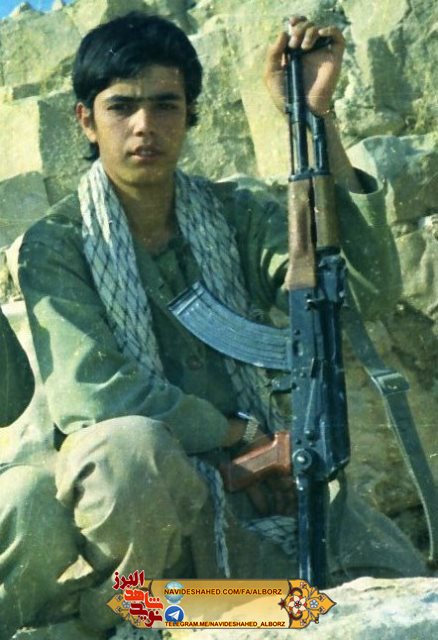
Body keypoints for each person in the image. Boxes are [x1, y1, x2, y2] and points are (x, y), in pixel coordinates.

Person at [0, 11, 426, 639]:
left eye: (165, 105)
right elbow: (94, 397)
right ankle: (124, 616)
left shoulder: (233, 214)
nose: (144, 125)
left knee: (388, 588)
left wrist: (315, 119)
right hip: (134, 515)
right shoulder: (56, 243)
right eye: (122, 107)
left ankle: (169, 613)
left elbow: (363, 293)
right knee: (126, 454)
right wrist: (239, 437)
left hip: (249, 503)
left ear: (191, 114)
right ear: (86, 120)